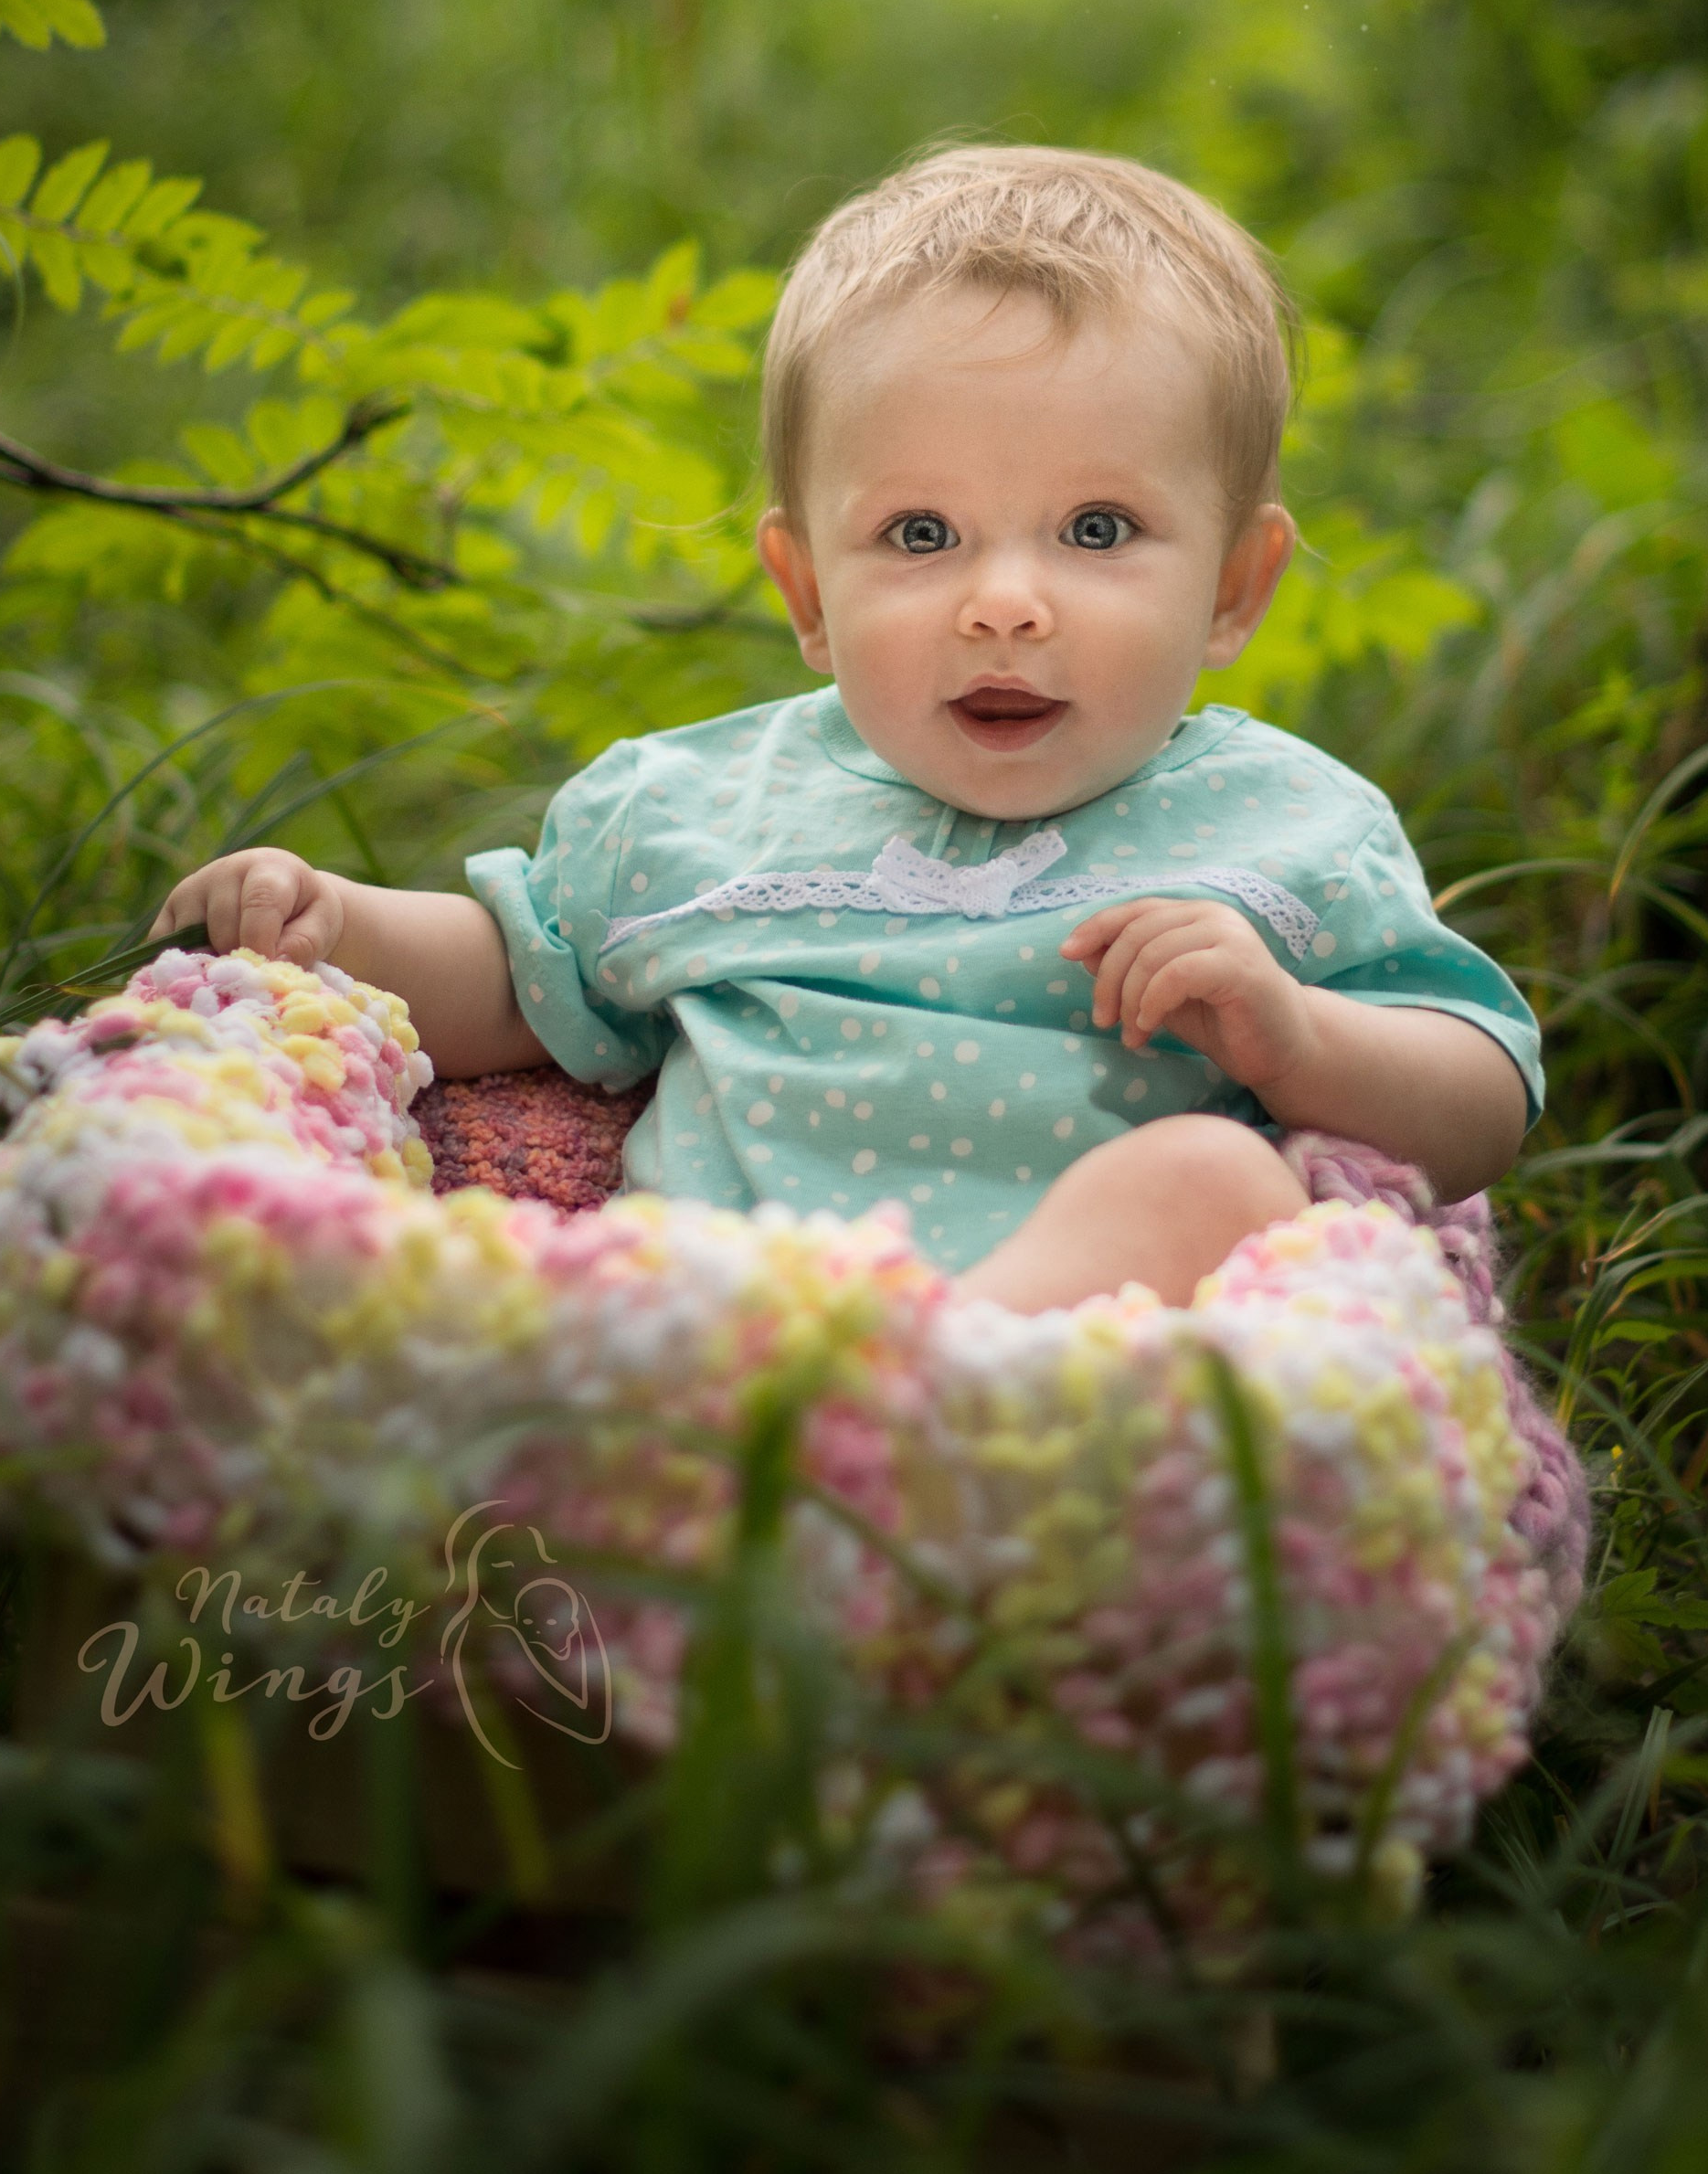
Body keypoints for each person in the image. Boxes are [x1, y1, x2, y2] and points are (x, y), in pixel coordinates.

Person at [154, 146, 1539, 1313]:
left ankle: (921, 1381)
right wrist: (331, 923)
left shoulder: (1283, 825)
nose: (1005, 605)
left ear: (1234, 587)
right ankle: (780, 1422)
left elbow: (1482, 1093)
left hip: (1083, 1368)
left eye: (1097, 530)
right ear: (808, 594)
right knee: (475, 1275)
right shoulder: (699, 807)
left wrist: (1293, 1038)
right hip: (725, 1309)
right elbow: (524, 986)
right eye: (921, 535)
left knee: (1220, 1184)